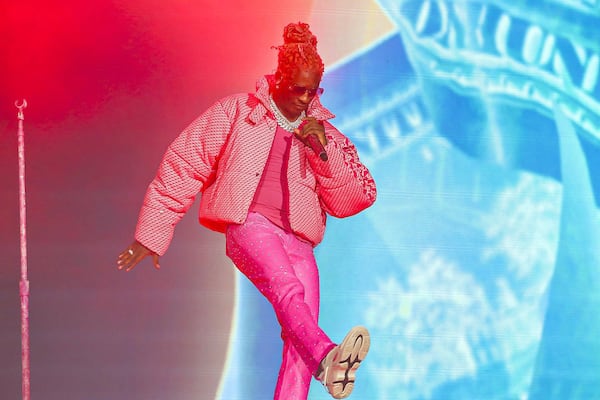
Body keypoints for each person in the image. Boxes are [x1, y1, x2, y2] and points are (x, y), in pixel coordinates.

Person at [116, 22, 376, 400]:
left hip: (300, 240)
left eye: (314, 90)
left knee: (299, 332)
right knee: (288, 290)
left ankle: (319, 360)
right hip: (249, 225)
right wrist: (151, 235)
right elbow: (185, 162)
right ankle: (328, 358)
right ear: (279, 78)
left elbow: (357, 198)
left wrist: (324, 154)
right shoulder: (238, 112)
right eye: (298, 88)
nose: (306, 99)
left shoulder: (325, 134)